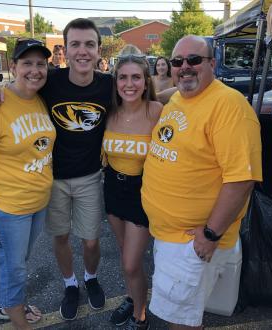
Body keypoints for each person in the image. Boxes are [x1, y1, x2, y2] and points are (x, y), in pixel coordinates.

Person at [0, 18, 113, 322]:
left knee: (91, 239)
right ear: (65, 50)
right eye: (75, 44)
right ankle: (69, 285)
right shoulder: (50, 80)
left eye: (89, 44)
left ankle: (90, 278)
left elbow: (142, 94)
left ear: (98, 50)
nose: (82, 51)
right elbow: (19, 86)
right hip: (52, 178)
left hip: (91, 176)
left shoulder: (108, 84)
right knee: (61, 237)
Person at [141, 35, 262, 329]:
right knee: (185, 316)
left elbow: (241, 180)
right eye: (177, 62)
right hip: (170, 235)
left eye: (194, 60)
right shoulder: (181, 97)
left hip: (192, 240)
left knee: (180, 322)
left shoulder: (229, 106)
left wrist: (210, 234)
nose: (185, 67)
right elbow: (169, 95)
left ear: (212, 63)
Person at [0, 38, 55, 330]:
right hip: (7, 207)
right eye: (27, 63)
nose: (35, 70)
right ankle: (19, 321)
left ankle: (11, 305)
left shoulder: (40, 98)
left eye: (41, 64)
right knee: (13, 267)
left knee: (18, 262)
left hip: (37, 203)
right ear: (12, 66)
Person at [103, 45, 162, 330]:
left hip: (142, 193)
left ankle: (140, 315)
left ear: (146, 80)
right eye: (123, 77)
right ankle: (131, 297)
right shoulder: (109, 112)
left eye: (136, 77)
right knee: (126, 251)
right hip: (113, 188)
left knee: (129, 262)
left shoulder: (157, 111)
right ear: (115, 82)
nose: (129, 84)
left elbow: (188, 96)